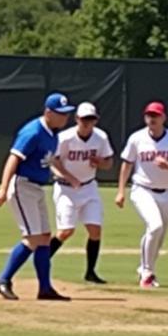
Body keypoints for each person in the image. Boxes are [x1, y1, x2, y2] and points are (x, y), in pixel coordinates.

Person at [0, 92, 79, 301]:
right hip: (22, 186)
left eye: (67, 114)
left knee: (44, 239)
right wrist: (3, 188)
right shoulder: (32, 132)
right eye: (61, 113)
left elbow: (50, 161)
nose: (65, 117)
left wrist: (68, 176)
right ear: (48, 112)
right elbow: (13, 158)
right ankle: (3, 279)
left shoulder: (53, 133)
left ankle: (45, 288)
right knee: (32, 238)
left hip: (37, 188)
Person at [115, 101, 168, 288]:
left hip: (166, 192)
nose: (152, 119)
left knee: (159, 236)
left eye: (156, 115)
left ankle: (146, 269)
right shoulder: (137, 138)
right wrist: (120, 191)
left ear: (163, 118)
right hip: (142, 189)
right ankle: (147, 273)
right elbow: (127, 164)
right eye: (149, 115)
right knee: (155, 226)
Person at [48, 101, 114, 283]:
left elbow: (109, 162)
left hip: (89, 187)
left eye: (91, 119)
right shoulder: (65, 138)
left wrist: (100, 162)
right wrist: (69, 177)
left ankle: (90, 272)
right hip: (66, 189)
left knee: (95, 230)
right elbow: (53, 161)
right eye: (84, 119)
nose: (87, 122)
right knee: (66, 231)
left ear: (96, 120)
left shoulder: (100, 137)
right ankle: (43, 261)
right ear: (77, 119)